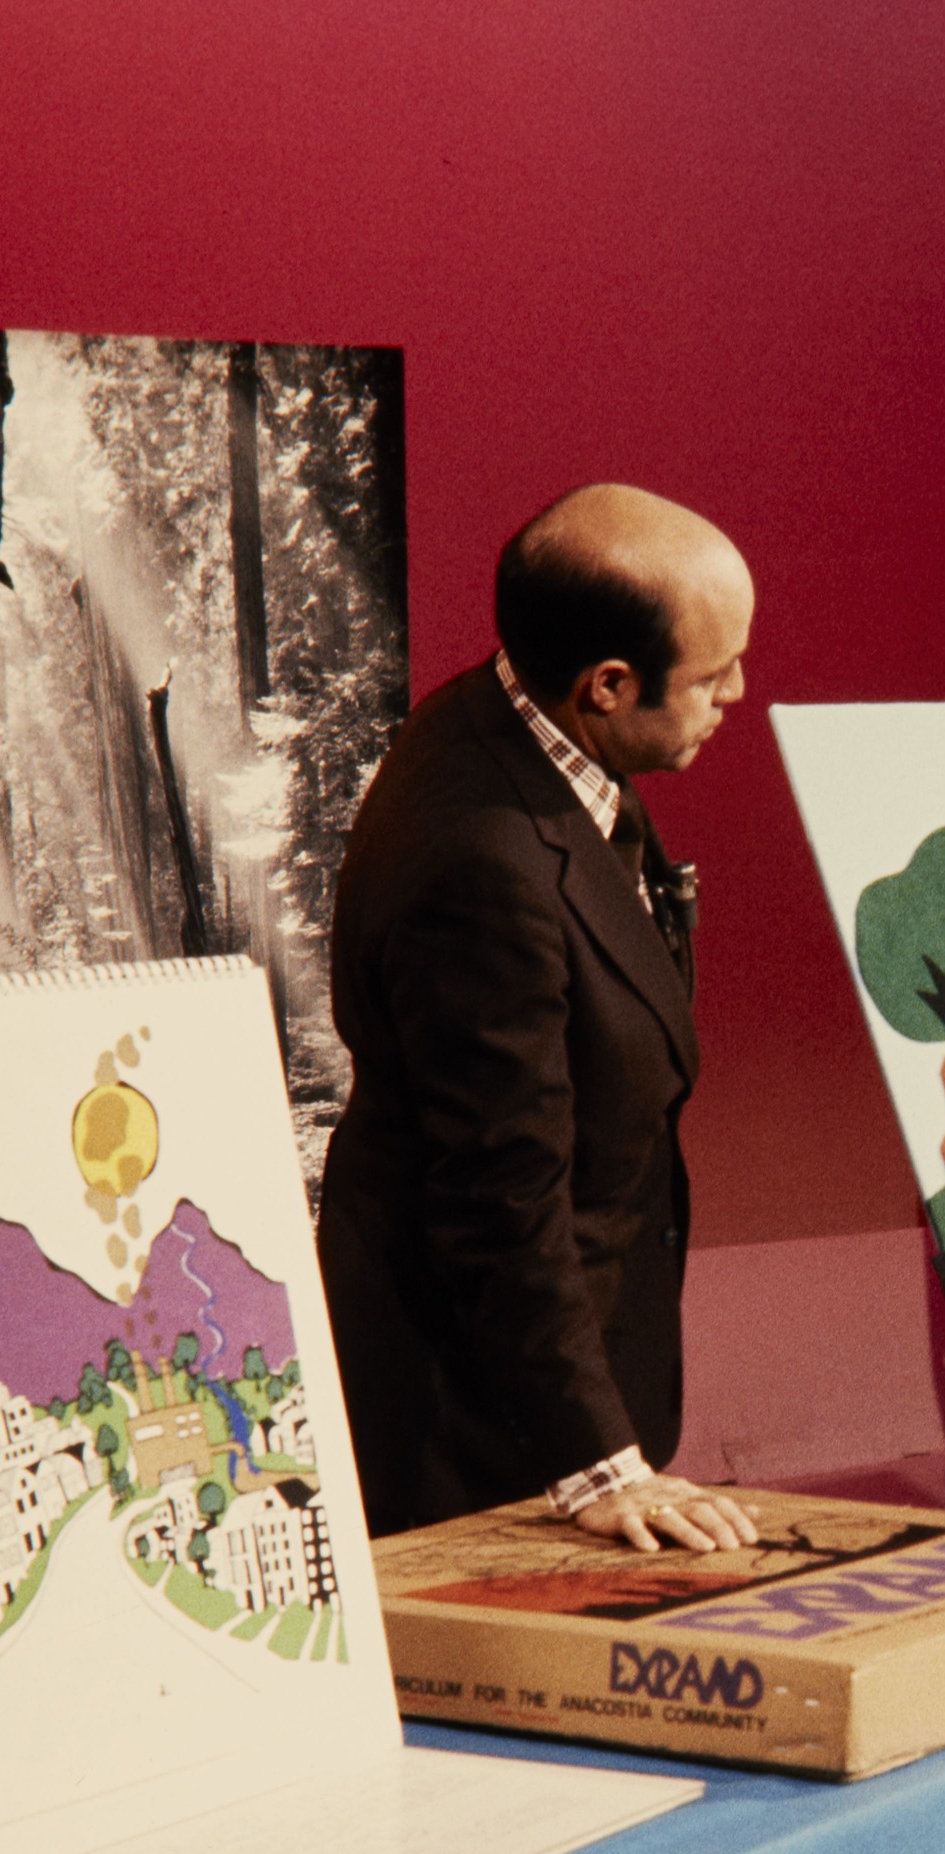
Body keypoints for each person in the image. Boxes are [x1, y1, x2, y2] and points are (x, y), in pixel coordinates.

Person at [317, 486, 762, 1553]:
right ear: (606, 684)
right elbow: (498, 1197)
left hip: (555, 1376)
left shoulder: (523, 725)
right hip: (479, 1428)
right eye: (712, 676)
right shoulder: (482, 859)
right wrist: (598, 1466)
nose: (737, 694)